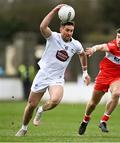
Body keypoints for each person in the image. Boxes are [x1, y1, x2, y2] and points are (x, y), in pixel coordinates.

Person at [15, 4, 91, 136]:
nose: (69, 33)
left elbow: (82, 54)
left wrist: (85, 72)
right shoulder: (52, 37)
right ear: (61, 29)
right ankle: (24, 128)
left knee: (55, 100)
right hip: (43, 75)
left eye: (71, 30)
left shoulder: (76, 44)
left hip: (57, 78)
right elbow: (42, 27)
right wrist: (54, 10)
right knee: (31, 104)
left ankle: (41, 110)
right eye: (67, 30)